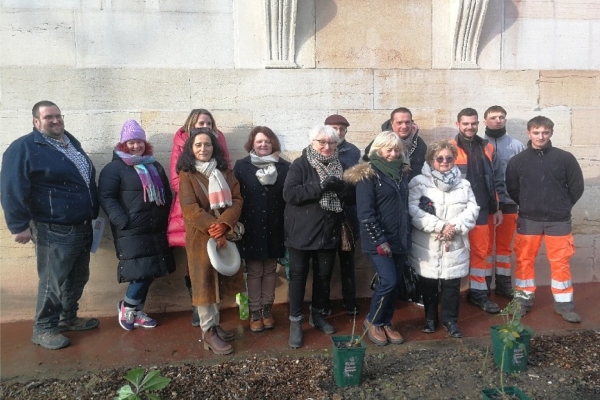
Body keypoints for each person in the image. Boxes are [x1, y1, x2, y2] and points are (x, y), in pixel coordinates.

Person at [0, 101, 100, 350]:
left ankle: (68, 318)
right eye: (48, 117)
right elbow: (11, 187)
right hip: (53, 228)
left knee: (78, 277)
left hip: (82, 225)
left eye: (58, 116)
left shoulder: (70, 142)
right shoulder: (24, 147)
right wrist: (18, 226)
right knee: (52, 282)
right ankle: (43, 328)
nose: (55, 121)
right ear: (36, 121)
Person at [98, 120, 176, 331]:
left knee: (150, 270)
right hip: (132, 229)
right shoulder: (114, 168)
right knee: (141, 271)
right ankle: (128, 307)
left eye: (139, 142)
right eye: (131, 142)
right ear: (124, 144)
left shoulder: (154, 165)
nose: (136, 146)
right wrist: (122, 220)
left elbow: (166, 194)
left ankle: (136, 309)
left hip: (156, 227)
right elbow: (106, 196)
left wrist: (169, 217)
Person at [506, 116, 584, 323]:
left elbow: (577, 187)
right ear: (528, 133)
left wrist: (562, 206)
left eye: (545, 132)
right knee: (524, 261)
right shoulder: (517, 161)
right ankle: (523, 301)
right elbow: (513, 189)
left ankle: (564, 304)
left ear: (551, 133)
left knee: (560, 262)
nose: (541, 137)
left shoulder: (565, 158)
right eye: (536, 132)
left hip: (558, 220)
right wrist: (528, 204)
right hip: (528, 219)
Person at [283, 125, 353, 348]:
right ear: (312, 142)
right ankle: (296, 322)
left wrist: (342, 188)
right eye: (321, 142)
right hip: (301, 233)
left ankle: (318, 314)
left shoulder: (341, 165)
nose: (326, 146)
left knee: (324, 276)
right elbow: (290, 194)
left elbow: (351, 197)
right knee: (299, 278)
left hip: (328, 231)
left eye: (331, 143)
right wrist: (320, 186)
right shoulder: (300, 164)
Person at [177, 128, 243, 355]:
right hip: (200, 236)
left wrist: (224, 225)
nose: (203, 149)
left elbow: (236, 200)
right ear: (191, 149)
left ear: (214, 147)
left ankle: (214, 324)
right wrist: (215, 229)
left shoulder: (225, 171)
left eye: (207, 144)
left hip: (223, 233)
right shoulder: (187, 174)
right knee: (204, 282)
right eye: (198, 145)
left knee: (218, 280)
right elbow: (190, 208)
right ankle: (207, 332)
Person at [408, 140, 479, 338]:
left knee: (451, 286)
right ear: (431, 160)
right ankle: (430, 318)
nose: (444, 161)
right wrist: (440, 226)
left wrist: (453, 227)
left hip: (454, 243)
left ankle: (450, 321)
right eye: (439, 158)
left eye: (449, 158)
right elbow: (413, 210)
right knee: (428, 284)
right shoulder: (419, 182)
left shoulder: (464, 185)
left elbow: (472, 209)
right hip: (428, 243)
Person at [345, 131, 410, 346]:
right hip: (379, 240)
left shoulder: (401, 173)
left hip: (400, 237)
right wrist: (380, 240)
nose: (392, 154)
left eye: (396, 150)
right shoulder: (368, 175)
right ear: (378, 150)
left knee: (396, 282)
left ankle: (386, 321)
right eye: (388, 149)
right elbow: (365, 213)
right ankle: (373, 320)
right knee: (388, 280)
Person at [167, 109, 231, 327]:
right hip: (192, 206)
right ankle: (199, 305)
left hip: (218, 206)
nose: (204, 126)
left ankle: (213, 309)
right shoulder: (182, 140)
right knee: (195, 261)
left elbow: (226, 167)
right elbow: (177, 178)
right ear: (191, 124)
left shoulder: (218, 138)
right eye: (200, 122)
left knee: (216, 257)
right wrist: (198, 189)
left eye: (208, 122)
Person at [450, 108, 507, 314]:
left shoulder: (488, 147)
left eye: (473, 123)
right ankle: (450, 296)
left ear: (478, 124)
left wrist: (498, 207)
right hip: (457, 211)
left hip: (483, 210)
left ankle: (478, 293)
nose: (469, 127)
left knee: (481, 253)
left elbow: (496, 180)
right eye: (465, 123)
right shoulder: (449, 148)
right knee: (453, 253)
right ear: (458, 124)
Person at [233, 126, 290, 332]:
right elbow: (235, 196)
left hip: (276, 226)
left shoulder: (285, 166)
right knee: (255, 271)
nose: (264, 144)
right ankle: (255, 311)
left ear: (273, 143)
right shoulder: (241, 166)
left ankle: (267, 309)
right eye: (259, 141)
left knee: (270, 270)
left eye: (267, 141)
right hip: (251, 227)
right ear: (252, 144)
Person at [483, 106, 526, 299]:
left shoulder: (516, 146)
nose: (498, 120)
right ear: (485, 121)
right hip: (486, 205)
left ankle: (503, 284)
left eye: (501, 117)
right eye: (493, 117)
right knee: (484, 247)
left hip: (508, 203)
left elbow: (523, 177)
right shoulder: (479, 145)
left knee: (504, 248)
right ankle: (482, 285)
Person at [324, 114, 361, 315]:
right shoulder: (314, 149)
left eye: (342, 129)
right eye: (334, 128)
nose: (338, 132)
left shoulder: (353, 151)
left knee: (348, 262)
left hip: (347, 215)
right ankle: (325, 302)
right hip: (325, 216)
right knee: (325, 264)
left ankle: (350, 300)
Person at [364, 107, 427, 181]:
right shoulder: (381, 142)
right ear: (392, 123)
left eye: (407, 122)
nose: (404, 126)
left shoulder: (419, 143)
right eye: (399, 123)